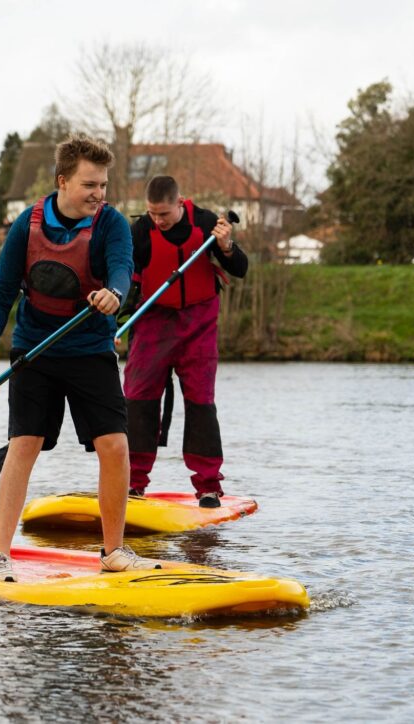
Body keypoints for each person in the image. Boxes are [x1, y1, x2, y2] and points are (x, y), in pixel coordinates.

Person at [0, 135, 162, 582]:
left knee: (115, 446)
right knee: (24, 446)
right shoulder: (27, 224)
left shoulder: (111, 223)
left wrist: (114, 295)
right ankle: (0, 557)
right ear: (63, 181)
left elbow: (121, 269)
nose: (100, 193)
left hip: (90, 352)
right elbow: (0, 294)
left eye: (104, 184)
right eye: (90, 184)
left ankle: (114, 551)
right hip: (34, 353)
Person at [122, 175, 248, 508]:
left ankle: (208, 485)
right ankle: (133, 482)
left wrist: (225, 247)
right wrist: (116, 319)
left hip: (198, 323)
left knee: (201, 401)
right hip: (153, 321)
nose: (157, 220)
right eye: (152, 213)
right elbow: (124, 280)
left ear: (180, 203)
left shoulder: (206, 224)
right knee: (137, 398)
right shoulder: (140, 233)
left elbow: (241, 268)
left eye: (163, 214)